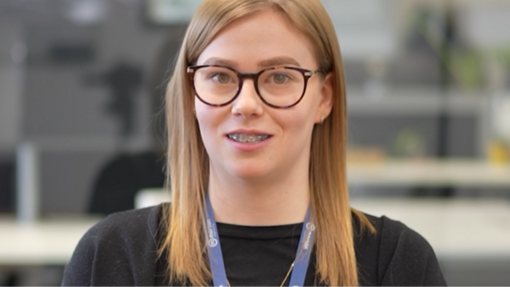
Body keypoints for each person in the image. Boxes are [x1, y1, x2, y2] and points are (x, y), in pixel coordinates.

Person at [62, 0, 448, 286]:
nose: (246, 105)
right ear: (190, 92)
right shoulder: (114, 257)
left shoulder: (398, 264)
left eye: (279, 77)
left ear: (324, 97)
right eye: (220, 76)